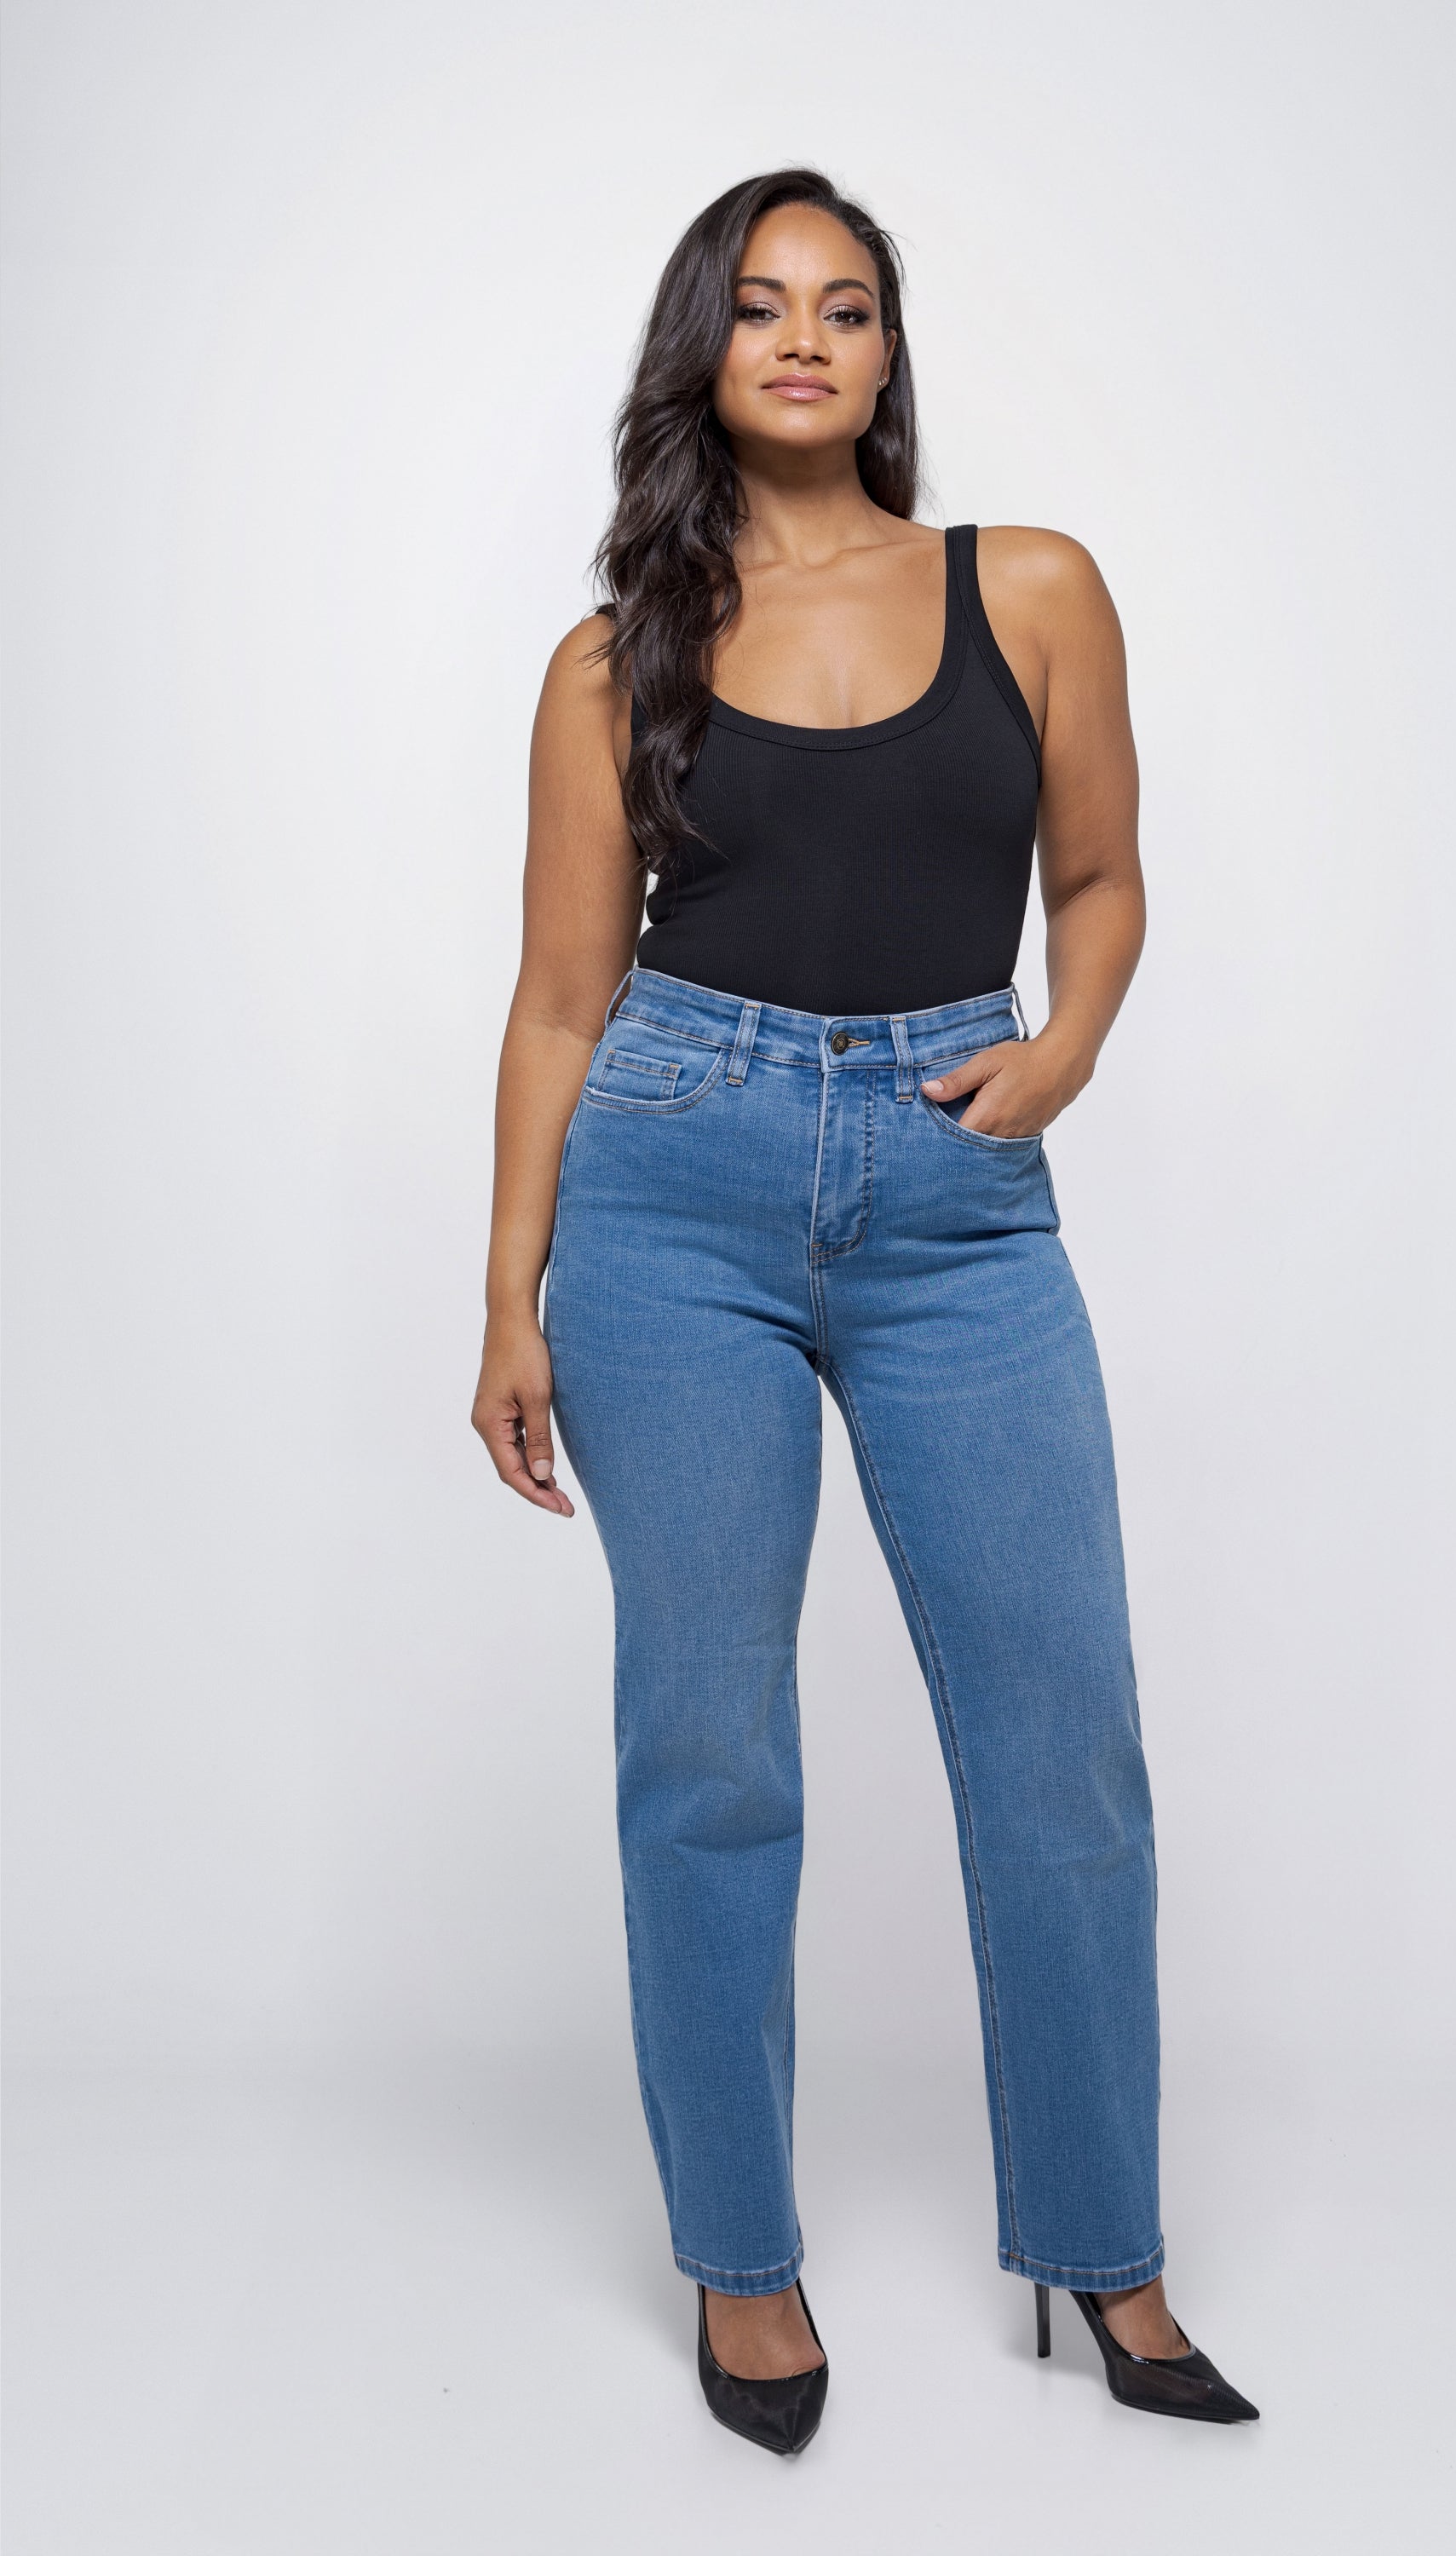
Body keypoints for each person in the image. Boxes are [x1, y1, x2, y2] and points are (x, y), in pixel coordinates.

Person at [471, 167, 1257, 2454]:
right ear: (703, 351)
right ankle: (744, 2266)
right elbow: (556, 997)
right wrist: (510, 1294)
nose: (804, 337)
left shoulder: (1031, 587)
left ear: (890, 352)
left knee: (1060, 1737)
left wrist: (1063, 1052)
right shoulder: (609, 660)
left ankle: (1102, 2245)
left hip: (955, 1192)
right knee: (709, 1750)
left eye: (845, 305)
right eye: (761, 305)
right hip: (671, 1191)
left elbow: (1099, 879)